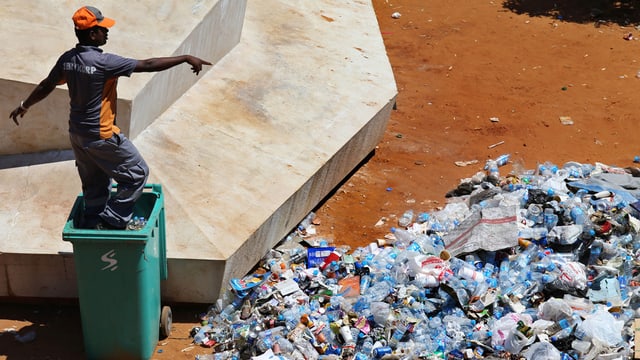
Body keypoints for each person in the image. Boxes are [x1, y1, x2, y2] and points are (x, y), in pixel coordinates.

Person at [9, 5, 212, 229]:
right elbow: (147, 64)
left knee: (95, 183)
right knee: (137, 174)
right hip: (102, 134)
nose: (107, 32)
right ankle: (112, 221)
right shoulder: (104, 62)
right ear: (92, 33)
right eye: (103, 28)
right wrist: (184, 57)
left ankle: (93, 222)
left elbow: (47, 85)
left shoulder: (67, 59)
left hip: (78, 135)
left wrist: (24, 105)